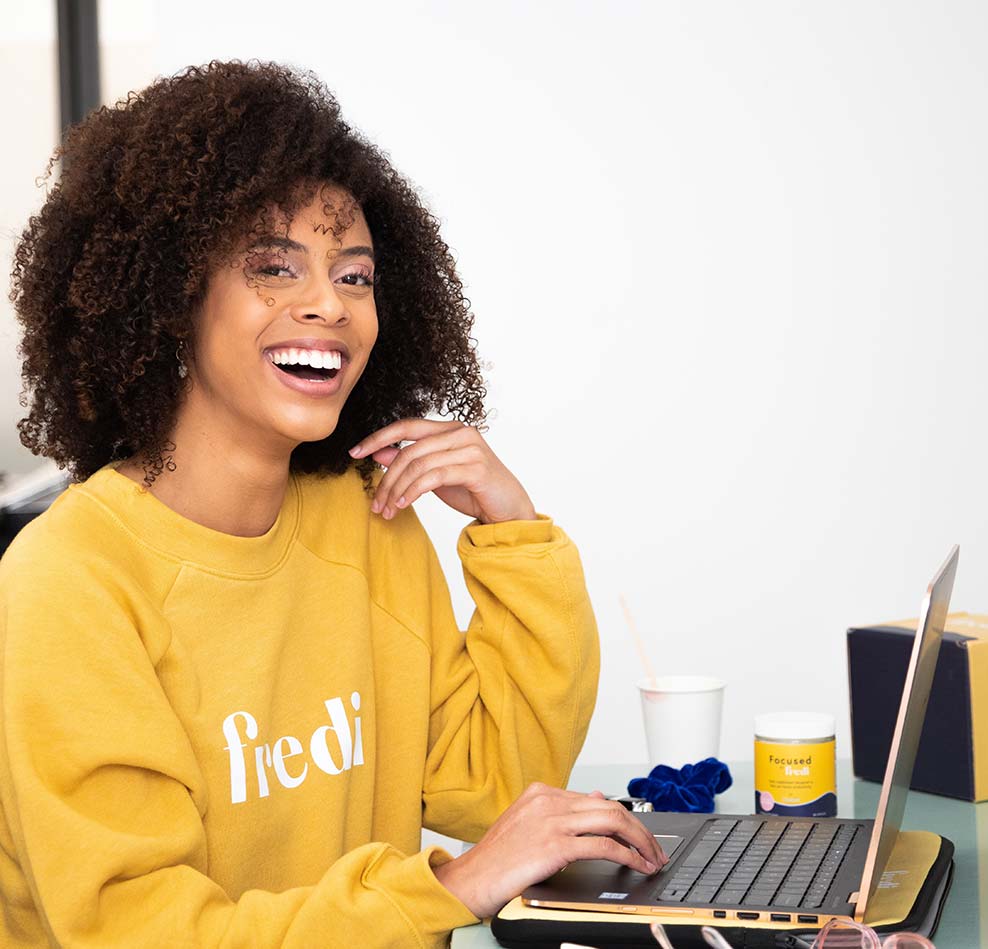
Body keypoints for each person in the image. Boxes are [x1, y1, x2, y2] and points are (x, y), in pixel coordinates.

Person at [0, 61, 666, 947]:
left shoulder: (363, 516)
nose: (329, 306)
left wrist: (513, 532)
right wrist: (447, 890)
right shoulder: (68, 581)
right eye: (275, 268)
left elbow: (494, 780)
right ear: (170, 295)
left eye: (355, 276)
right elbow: (136, 926)